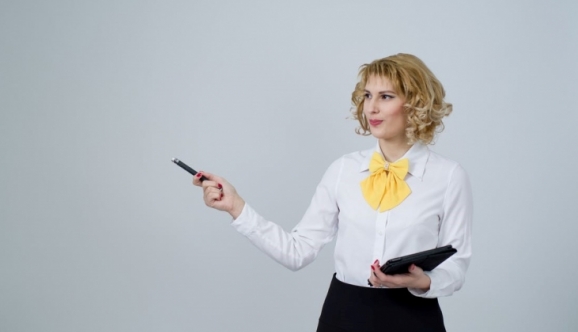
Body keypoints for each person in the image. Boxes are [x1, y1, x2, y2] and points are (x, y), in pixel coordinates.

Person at [192, 53, 473, 332]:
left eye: (385, 96)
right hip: (344, 315)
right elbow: (296, 252)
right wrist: (236, 207)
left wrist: (421, 282)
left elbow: (456, 265)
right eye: (367, 95)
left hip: (414, 318)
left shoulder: (448, 176)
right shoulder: (343, 171)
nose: (371, 108)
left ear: (415, 103)